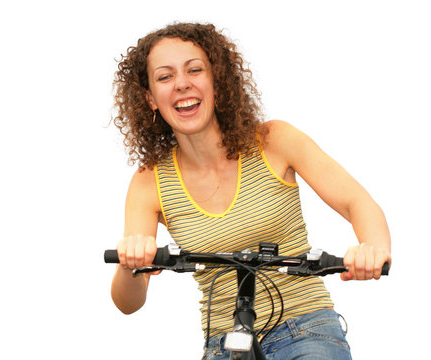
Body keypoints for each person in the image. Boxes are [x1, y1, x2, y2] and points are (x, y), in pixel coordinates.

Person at [109, 22, 391, 360]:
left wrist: (372, 250)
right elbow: (130, 302)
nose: (182, 83)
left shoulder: (274, 140)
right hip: (224, 345)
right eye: (165, 77)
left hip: (305, 328)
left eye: (195, 70)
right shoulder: (149, 181)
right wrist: (130, 263)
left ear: (217, 82)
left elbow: (357, 202)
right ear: (150, 98)